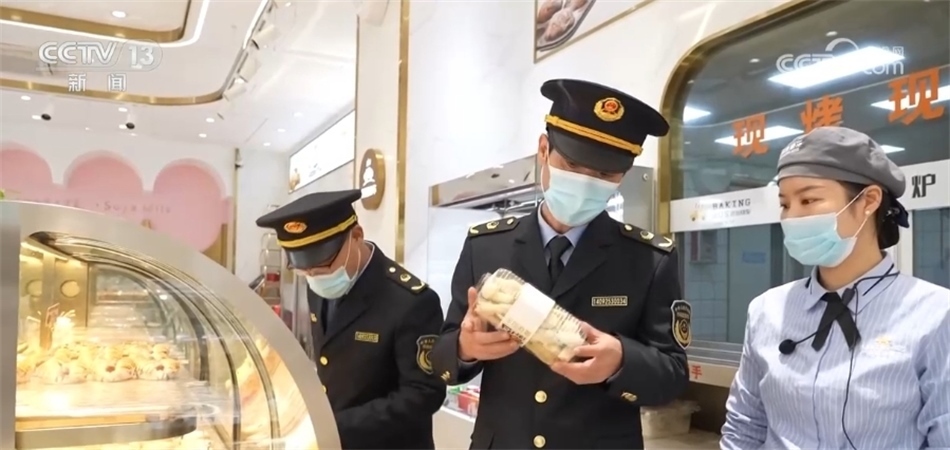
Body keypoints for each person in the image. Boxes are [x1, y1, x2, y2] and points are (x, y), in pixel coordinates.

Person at [429, 79, 690, 449]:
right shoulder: (486, 246)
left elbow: (673, 374)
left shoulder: (648, 259)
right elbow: (439, 354)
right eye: (572, 164)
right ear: (543, 149)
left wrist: (621, 360)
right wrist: (464, 347)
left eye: (604, 175)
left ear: (623, 175)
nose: (585, 183)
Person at [721, 127, 950, 449]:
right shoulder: (766, 310)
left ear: (869, 200)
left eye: (809, 200)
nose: (792, 217)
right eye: (785, 204)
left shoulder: (935, 314)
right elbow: (744, 426)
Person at [256, 189, 446, 449]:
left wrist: (334, 426)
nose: (314, 275)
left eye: (324, 265)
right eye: (304, 270)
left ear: (356, 236)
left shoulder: (410, 301)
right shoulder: (317, 285)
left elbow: (423, 393)